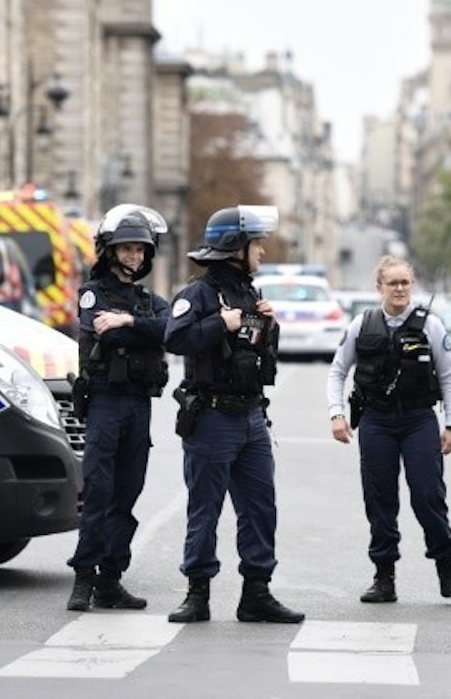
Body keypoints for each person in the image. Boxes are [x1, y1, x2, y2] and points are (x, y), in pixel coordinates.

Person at [164, 205, 304, 624]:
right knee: (205, 509)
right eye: (256, 243)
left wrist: (269, 326)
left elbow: (258, 355)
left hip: (251, 418)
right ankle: (197, 594)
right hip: (211, 418)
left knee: (261, 507)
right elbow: (175, 338)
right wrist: (218, 325)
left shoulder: (251, 294)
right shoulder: (198, 294)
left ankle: (256, 593)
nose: (262, 250)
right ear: (235, 247)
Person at [326, 255, 451, 606]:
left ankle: (447, 574)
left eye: (405, 282)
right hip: (376, 421)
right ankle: (384, 577)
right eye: (393, 283)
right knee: (380, 499)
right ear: (380, 288)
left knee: (428, 496)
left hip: (418, 420)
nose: (400, 289)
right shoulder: (363, 324)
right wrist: (336, 414)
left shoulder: (430, 326)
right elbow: (337, 371)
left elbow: (448, 377)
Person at [66, 204, 171, 612]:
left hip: (138, 405)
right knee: (98, 493)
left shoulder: (148, 300)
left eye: (140, 250)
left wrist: (128, 324)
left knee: (127, 495)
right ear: (110, 251)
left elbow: (171, 331)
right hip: (106, 402)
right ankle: (83, 578)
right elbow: (100, 335)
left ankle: (110, 581)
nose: (134, 256)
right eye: (127, 249)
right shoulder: (94, 293)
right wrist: (139, 330)